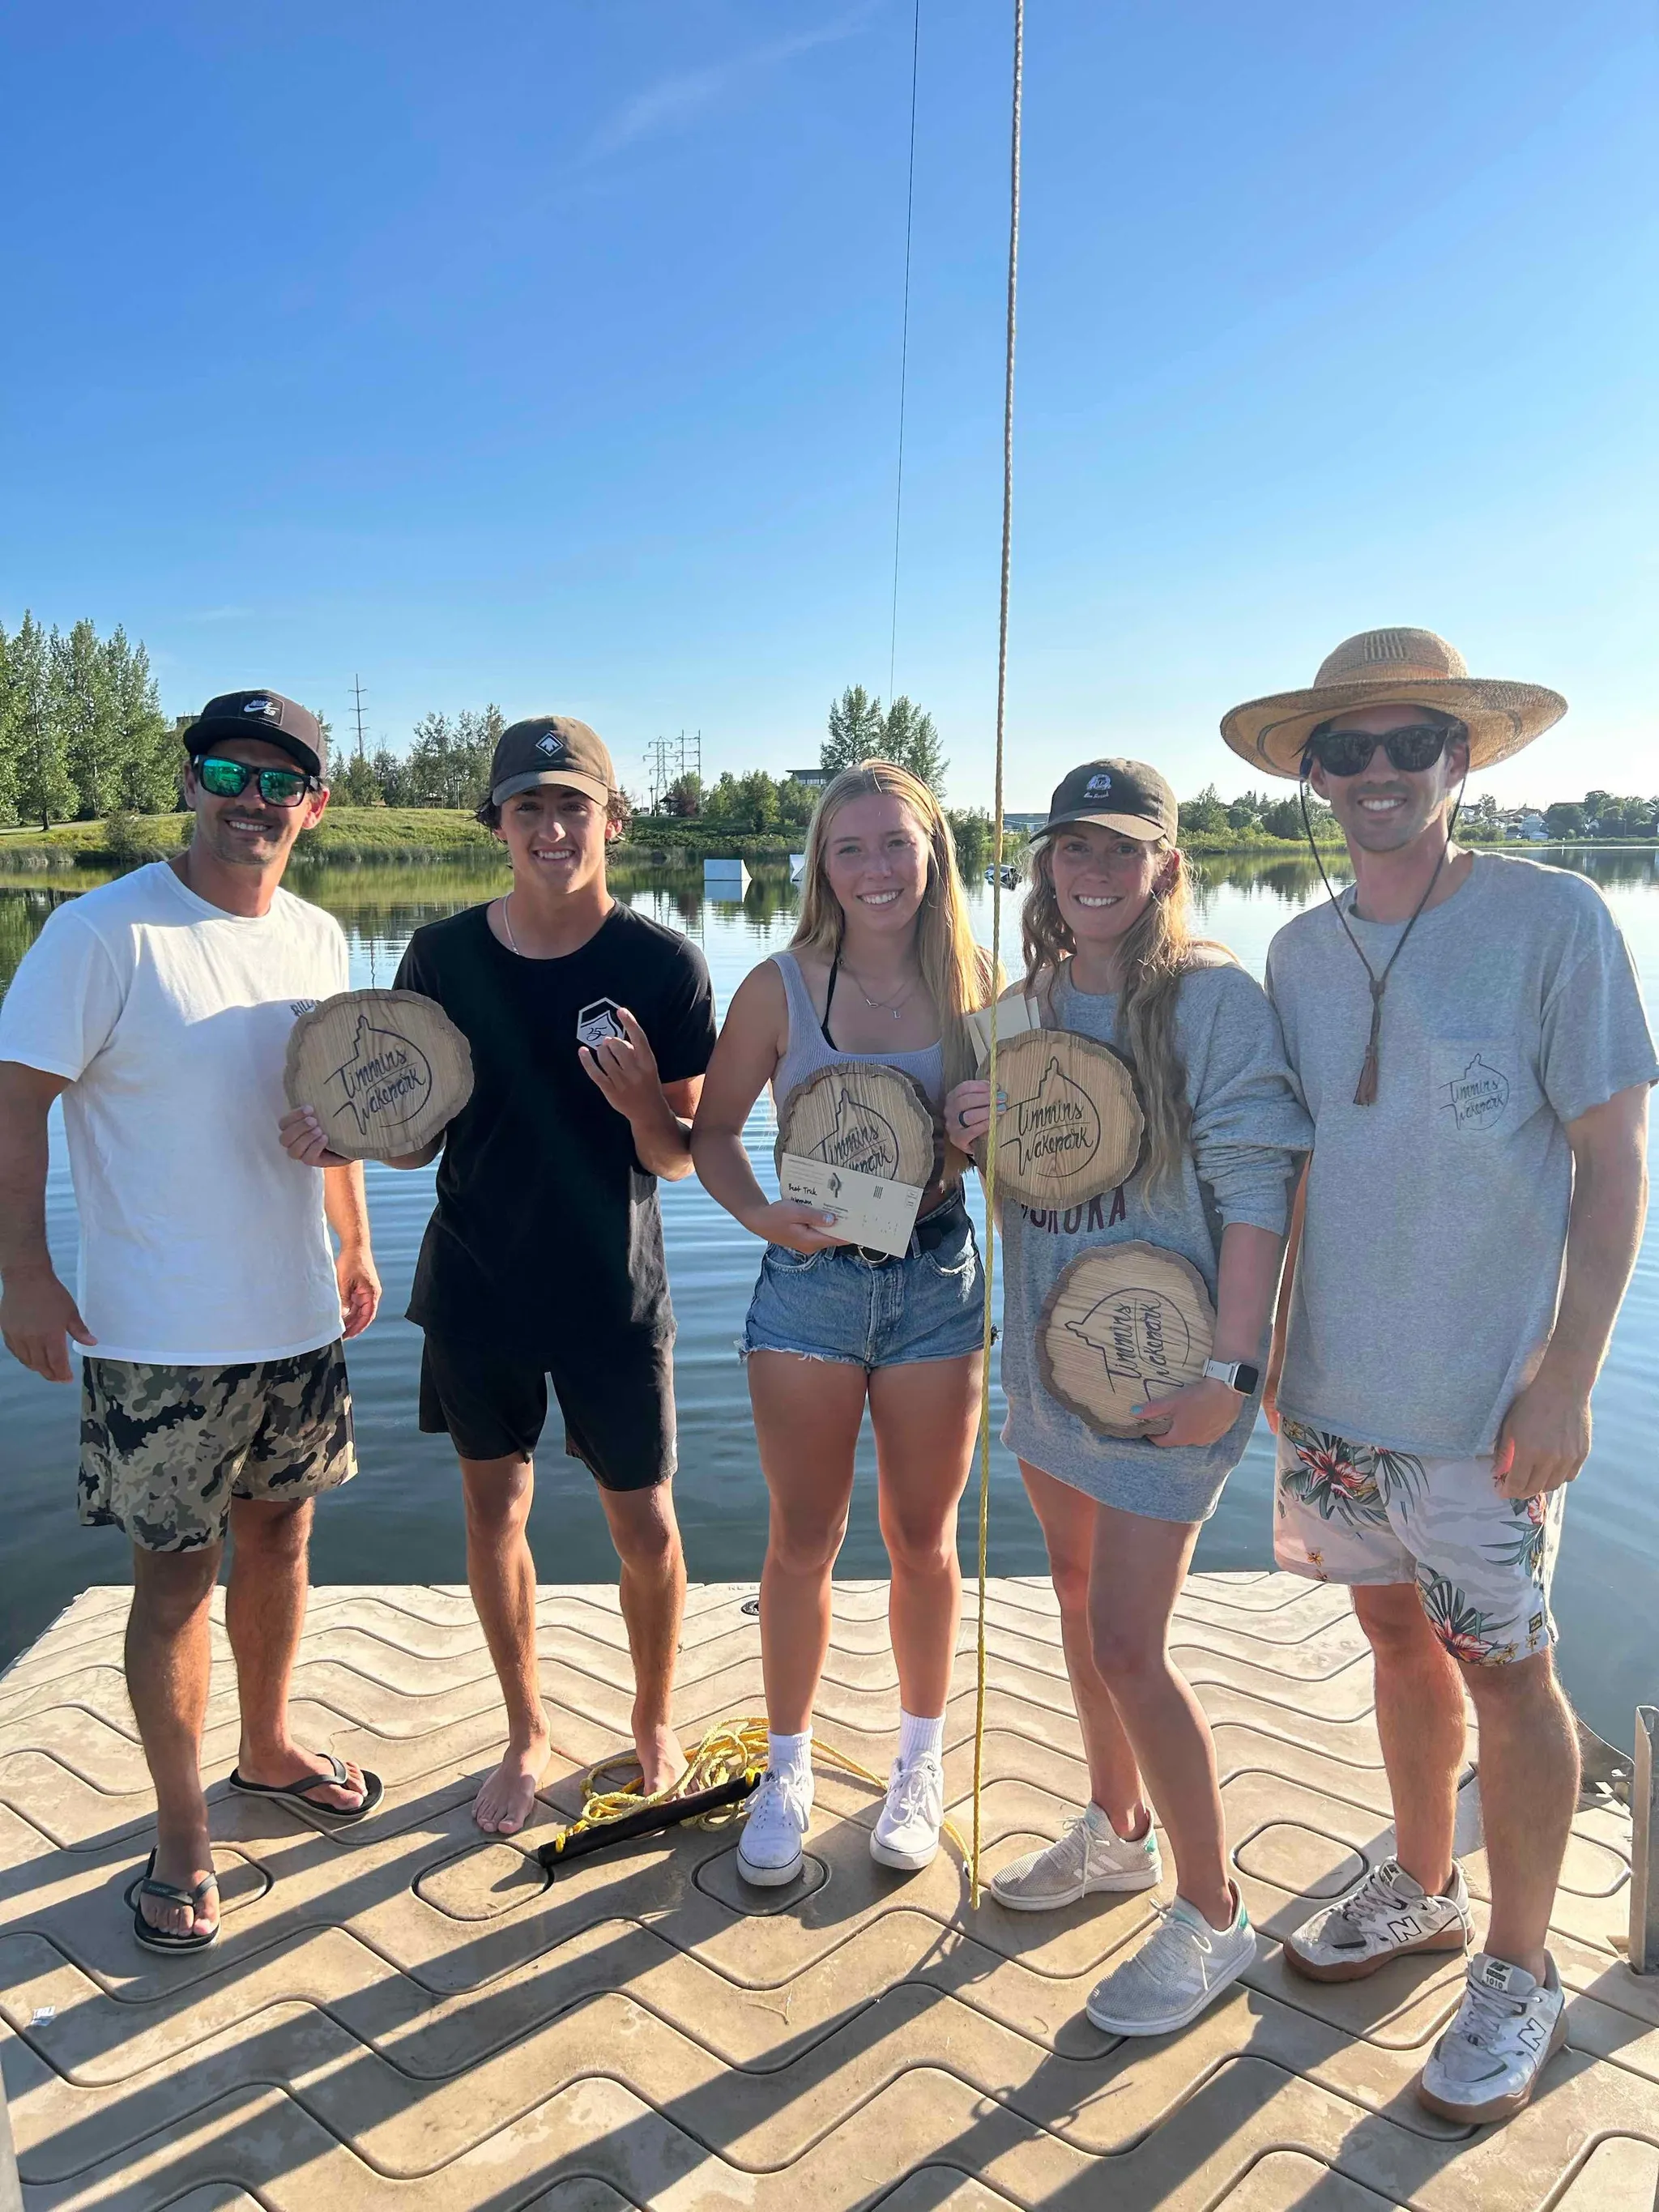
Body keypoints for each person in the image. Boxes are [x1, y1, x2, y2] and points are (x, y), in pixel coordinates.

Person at [1222, 628, 1655, 2125]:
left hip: (1486, 1415)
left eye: (1415, 744)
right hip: (1336, 1404)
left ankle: (1522, 1967)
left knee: (1515, 1678)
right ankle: (1420, 1887)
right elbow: (1278, 1163)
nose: (1381, 772)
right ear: (1313, 775)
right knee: (1397, 1651)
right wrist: (1271, 1341)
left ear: (1463, 760)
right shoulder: (1293, 947)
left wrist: (1570, 1373)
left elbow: (1614, 1168)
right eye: (1349, 749)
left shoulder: (1558, 919)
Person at [0, 690, 382, 1954]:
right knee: (173, 1581)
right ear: (194, 779)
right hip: (155, 1334)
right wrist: (24, 1273)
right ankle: (179, 1835)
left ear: (313, 807)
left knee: (280, 1542)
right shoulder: (98, 934)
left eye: (283, 784)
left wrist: (357, 1234)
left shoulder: (322, 939)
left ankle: (267, 1750)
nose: (254, 801)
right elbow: (16, 1107)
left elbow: (342, 1100)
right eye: (230, 771)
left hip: (294, 1319)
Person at [287, 715, 714, 1837]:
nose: (552, 827)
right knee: (495, 1510)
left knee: (651, 1526)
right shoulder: (439, 956)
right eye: (528, 808)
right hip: (478, 1283)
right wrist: (352, 1129)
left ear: (612, 821)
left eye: (574, 805)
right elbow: (417, 1138)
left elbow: (684, 1151)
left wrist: (637, 1106)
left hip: (614, 1291)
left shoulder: (665, 964)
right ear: (498, 826)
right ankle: (526, 1728)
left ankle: (656, 1717)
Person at [946, 759, 1310, 2035]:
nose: (1093, 872)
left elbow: (1261, 1191)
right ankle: (1115, 1827)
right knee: (1073, 1596)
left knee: (1127, 1642)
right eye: (1071, 849)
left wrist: (1234, 1371)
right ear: (1046, 863)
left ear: (1165, 863)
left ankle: (1214, 1912)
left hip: (1172, 1380)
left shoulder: (1212, 1000)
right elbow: (998, 1160)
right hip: (1055, 1370)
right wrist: (968, 1122)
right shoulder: (1022, 1000)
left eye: (1121, 850)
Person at [693, 761, 994, 1886]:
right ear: (822, 862)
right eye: (850, 847)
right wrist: (760, 1211)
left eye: (896, 844)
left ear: (933, 853)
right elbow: (713, 1132)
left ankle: (919, 1760)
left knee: (923, 1539)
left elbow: (1028, 1158)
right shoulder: (778, 985)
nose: (875, 869)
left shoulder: (982, 983)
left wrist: (984, 1125)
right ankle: (787, 1765)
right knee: (801, 1541)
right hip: (810, 1288)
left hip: (932, 1280)